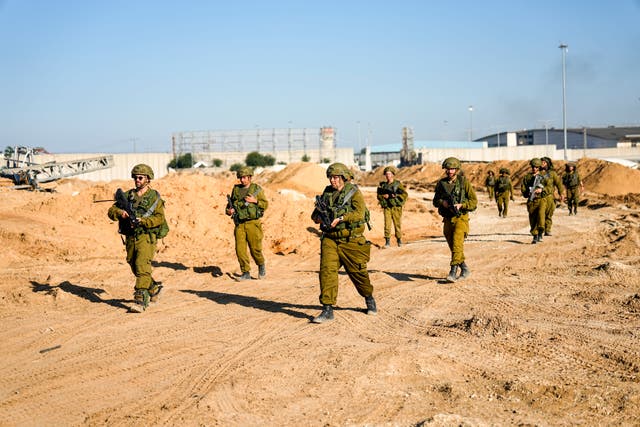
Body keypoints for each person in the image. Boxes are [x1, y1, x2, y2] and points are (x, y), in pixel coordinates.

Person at [310, 162, 376, 323]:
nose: (332, 181)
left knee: (358, 274)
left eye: (335, 177)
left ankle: (368, 297)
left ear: (344, 177)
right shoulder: (326, 193)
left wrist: (341, 218)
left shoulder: (353, 192)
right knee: (327, 272)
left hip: (351, 240)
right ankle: (327, 309)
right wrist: (318, 217)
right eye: (330, 177)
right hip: (330, 239)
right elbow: (314, 215)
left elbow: (359, 213)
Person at [107, 164, 166, 312]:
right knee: (133, 263)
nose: (137, 180)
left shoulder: (154, 198)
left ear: (148, 179)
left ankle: (140, 299)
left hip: (147, 236)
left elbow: (159, 218)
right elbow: (111, 210)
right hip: (131, 237)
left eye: (140, 177)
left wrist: (143, 221)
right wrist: (121, 213)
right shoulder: (128, 196)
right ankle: (153, 288)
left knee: (142, 264)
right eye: (135, 177)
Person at [432, 157, 478, 283]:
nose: (450, 171)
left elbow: (474, 202)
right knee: (454, 247)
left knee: (457, 244)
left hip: (461, 218)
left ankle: (453, 272)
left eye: (452, 169)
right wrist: (443, 203)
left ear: (457, 170)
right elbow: (435, 201)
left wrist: (462, 205)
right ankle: (465, 268)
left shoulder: (463, 183)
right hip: (447, 219)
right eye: (448, 169)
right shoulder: (441, 184)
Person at [225, 166, 268, 280]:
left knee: (255, 249)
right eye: (241, 178)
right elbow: (229, 206)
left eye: (244, 177)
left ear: (250, 177)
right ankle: (246, 273)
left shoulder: (256, 189)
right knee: (240, 250)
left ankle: (261, 264)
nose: (242, 180)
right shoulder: (236, 190)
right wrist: (229, 211)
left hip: (253, 223)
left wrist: (256, 201)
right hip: (239, 224)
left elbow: (265, 205)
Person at [376, 165, 408, 247]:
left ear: (393, 174)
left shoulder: (397, 184)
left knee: (397, 224)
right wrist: (384, 196)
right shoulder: (383, 186)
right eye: (386, 174)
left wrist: (395, 196)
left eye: (389, 174)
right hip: (387, 207)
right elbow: (378, 196)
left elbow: (404, 194)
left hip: (396, 207)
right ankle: (387, 242)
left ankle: (399, 240)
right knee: (387, 225)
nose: (388, 176)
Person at [520, 158, 549, 244]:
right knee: (532, 219)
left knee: (541, 216)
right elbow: (523, 187)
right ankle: (535, 235)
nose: (534, 169)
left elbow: (550, 188)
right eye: (533, 167)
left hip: (541, 200)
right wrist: (527, 193)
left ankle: (540, 231)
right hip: (531, 200)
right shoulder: (527, 177)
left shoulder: (544, 176)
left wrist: (541, 190)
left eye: (536, 167)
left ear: (539, 167)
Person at [539, 157, 564, 236]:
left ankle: (548, 230)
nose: (542, 164)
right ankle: (540, 229)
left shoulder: (552, 173)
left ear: (547, 164)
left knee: (549, 214)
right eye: (541, 162)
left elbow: (558, 183)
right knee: (540, 214)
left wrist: (561, 193)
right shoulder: (537, 173)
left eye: (544, 163)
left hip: (550, 196)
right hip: (540, 197)